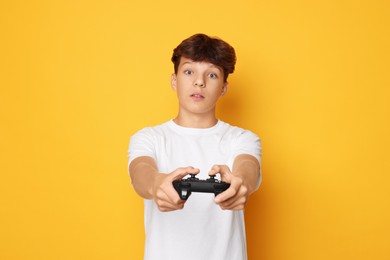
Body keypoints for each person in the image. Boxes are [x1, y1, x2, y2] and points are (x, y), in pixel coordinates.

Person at [128, 33, 262, 260]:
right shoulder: (148, 138)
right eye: (189, 71)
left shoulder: (242, 138)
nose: (199, 82)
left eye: (211, 75)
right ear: (174, 80)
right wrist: (156, 183)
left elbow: (248, 166)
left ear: (223, 88)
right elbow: (141, 171)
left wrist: (241, 184)